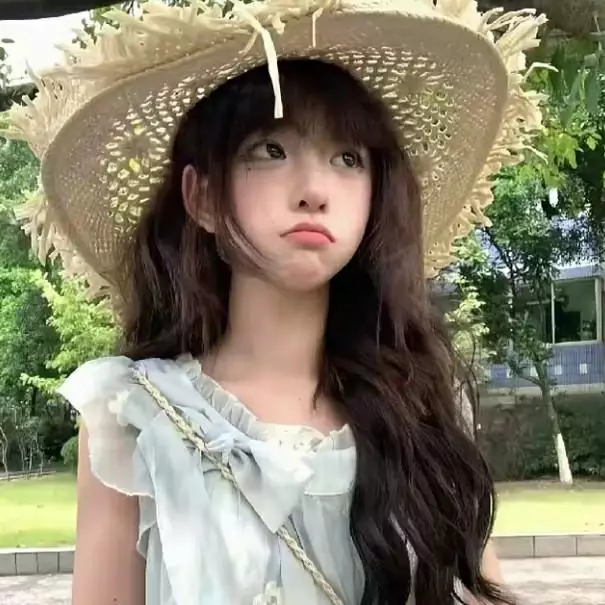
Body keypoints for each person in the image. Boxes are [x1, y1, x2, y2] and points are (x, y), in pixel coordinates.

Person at [4, 1, 547, 603]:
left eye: (347, 158)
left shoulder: (419, 412)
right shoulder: (132, 417)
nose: (315, 190)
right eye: (270, 150)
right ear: (202, 197)